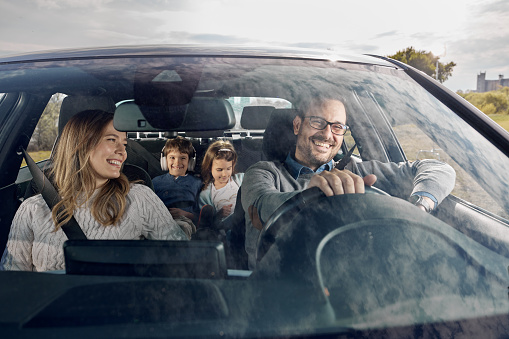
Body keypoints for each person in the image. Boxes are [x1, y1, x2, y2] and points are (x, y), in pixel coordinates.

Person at [241, 97, 456, 269]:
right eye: (317, 122)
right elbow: (260, 204)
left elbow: (439, 169)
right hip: (276, 287)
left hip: (348, 281)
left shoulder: (358, 170)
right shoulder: (264, 172)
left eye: (337, 127)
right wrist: (311, 194)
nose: (327, 134)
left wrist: (418, 208)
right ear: (297, 125)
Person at [0, 110, 188, 272]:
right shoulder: (33, 209)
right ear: (81, 144)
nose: (123, 153)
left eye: (124, 144)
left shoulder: (138, 198)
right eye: (112, 140)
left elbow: (183, 260)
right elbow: (11, 281)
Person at [152, 136, 202, 235]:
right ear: (164, 161)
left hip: (184, 222)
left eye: (183, 158)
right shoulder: (155, 182)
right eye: (172, 157)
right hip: (159, 222)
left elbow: (201, 215)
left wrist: (187, 214)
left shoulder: (197, 183)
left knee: (180, 228)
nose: (177, 162)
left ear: (191, 162)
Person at [198, 140, 244, 229]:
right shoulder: (205, 195)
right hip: (226, 229)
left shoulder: (241, 179)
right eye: (219, 170)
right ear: (209, 168)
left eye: (228, 168)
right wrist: (219, 215)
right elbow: (207, 225)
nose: (224, 174)